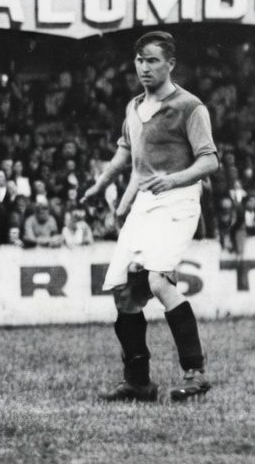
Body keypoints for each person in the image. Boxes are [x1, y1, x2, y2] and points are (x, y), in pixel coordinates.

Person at [81, 31, 219, 403]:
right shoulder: (134, 106)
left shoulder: (190, 106)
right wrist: (106, 187)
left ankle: (195, 373)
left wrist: (172, 179)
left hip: (178, 200)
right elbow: (127, 154)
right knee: (124, 293)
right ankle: (138, 382)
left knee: (158, 281)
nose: (145, 67)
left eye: (153, 60)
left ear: (170, 64)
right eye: (140, 60)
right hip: (145, 201)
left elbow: (210, 160)